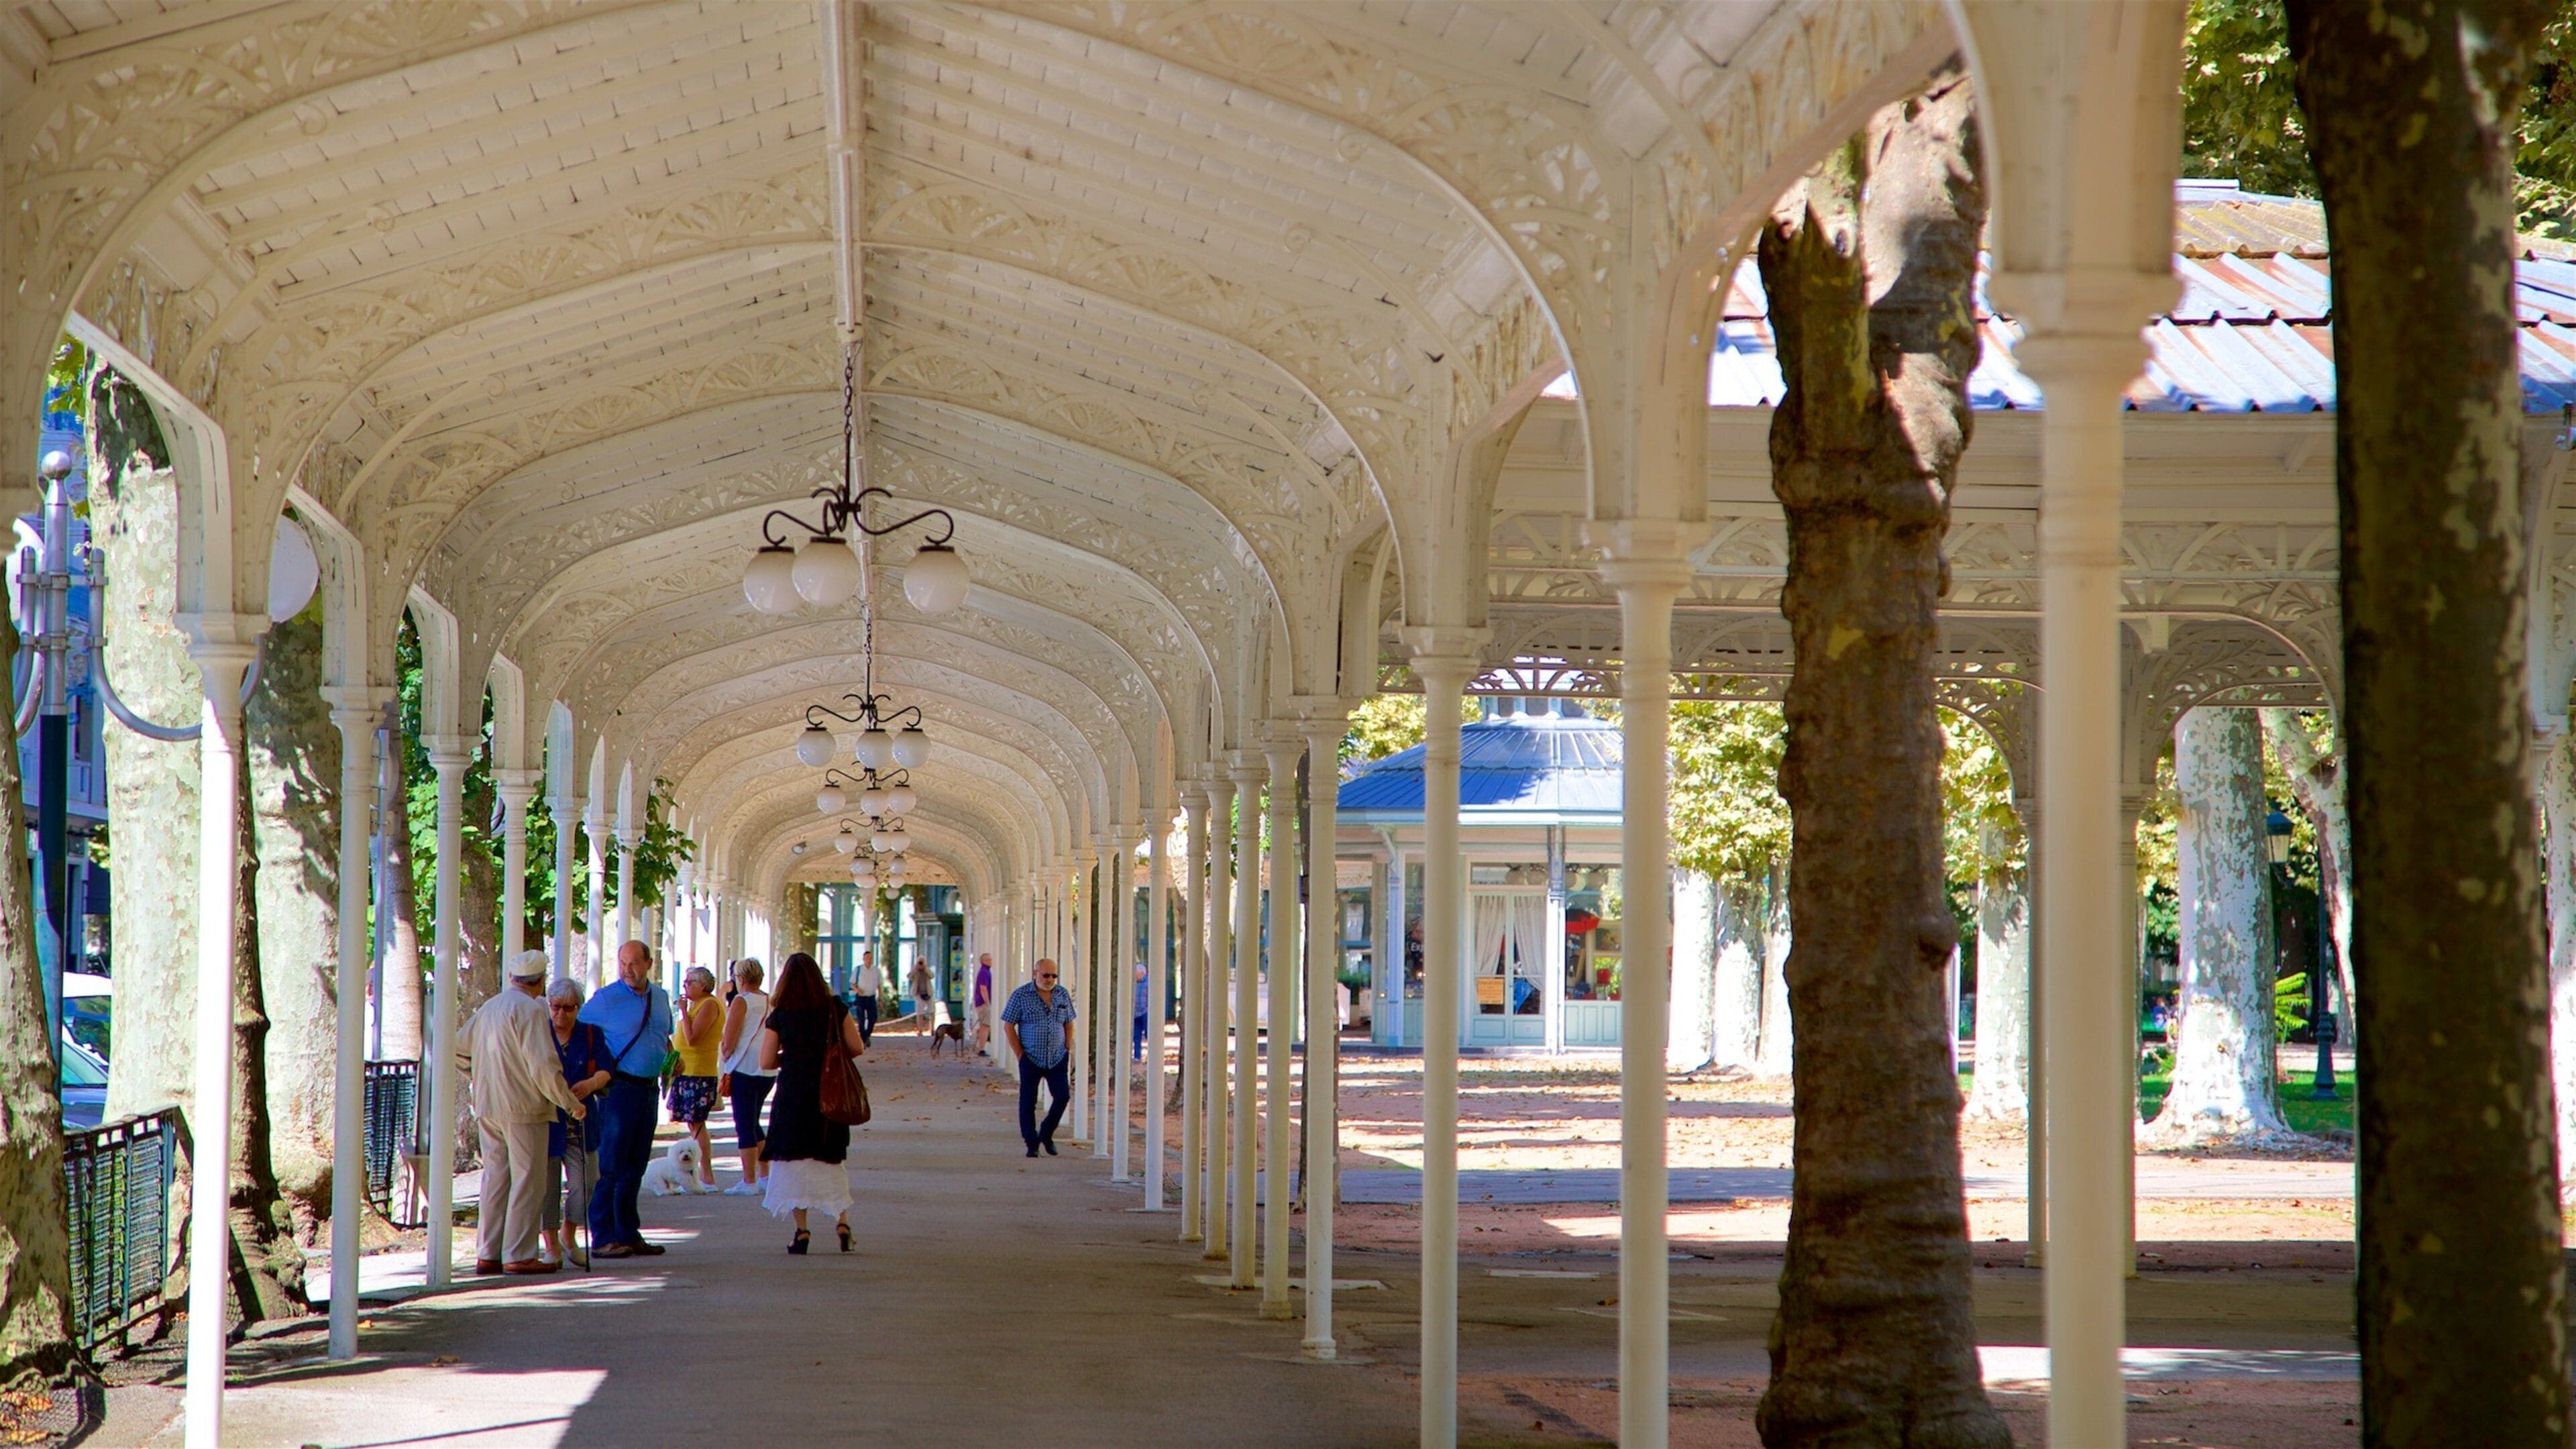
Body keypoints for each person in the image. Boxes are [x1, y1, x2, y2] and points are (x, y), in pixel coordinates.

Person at [458, 950, 585, 1275]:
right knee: (529, 1181)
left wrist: (481, 1076)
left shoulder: (490, 1007)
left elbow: (459, 1048)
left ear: (513, 978)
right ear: (541, 982)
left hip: (489, 1105)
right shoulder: (531, 1010)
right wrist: (570, 1102)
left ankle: (489, 1252)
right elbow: (543, 1065)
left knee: (496, 1178)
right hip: (525, 1108)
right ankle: (519, 1253)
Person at [760, 951, 868, 1254]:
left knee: (792, 1161)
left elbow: (767, 1060)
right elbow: (856, 1048)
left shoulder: (780, 1014)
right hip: (828, 1094)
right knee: (830, 1159)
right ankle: (843, 1223)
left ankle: (802, 1232)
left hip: (794, 1095)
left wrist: (792, 1056)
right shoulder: (835, 1007)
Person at [577, 940, 676, 1259]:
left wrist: (671, 1060)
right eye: (623, 963)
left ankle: (628, 1232)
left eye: (634, 963)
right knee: (610, 1165)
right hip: (618, 1089)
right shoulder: (606, 999)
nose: (627, 969)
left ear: (649, 962)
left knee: (636, 1164)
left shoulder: (660, 998)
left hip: (649, 1089)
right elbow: (578, 1031)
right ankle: (603, 1236)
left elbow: (663, 1037)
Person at [543, 975, 612, 1269]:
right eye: (557, 1007)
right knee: (546, 1188)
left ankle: (568, 1234)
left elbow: (608, 1069)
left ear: (578, 1008)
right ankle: (551, 1246)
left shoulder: (591, 1034)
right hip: (546, 1121)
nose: (562, 1014)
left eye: (569, 1008)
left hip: (581, 1120)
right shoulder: (539, 1032)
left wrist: (591, 1084)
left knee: (587, 1181)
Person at [1000, 957, 1076, 1157]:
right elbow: (1008, 1025)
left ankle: (1046, 1133)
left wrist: (1067, 1046)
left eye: (1054, 975)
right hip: (1031, 1057)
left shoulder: (1062, 994)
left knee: (1062, 1096)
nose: (1050, 979)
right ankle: (1031, 1142)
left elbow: (1069, 1022)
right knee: (1028, 1101)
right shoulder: (1021, 995)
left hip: (1058, 1056)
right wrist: (1020, 1054)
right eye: (1046, 975)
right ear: (1035, 974)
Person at [718, 958, 775, 1195]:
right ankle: (764, 1175)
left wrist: (724, 1053)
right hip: (767, 1069)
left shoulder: (742, 1001)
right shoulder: (769, 1000)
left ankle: (749, 1180)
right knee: (753, 1122)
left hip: (744, 1068)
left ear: (740, 979)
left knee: (743, 1123)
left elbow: (729, 1039)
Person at [668, 965, 722, 1187]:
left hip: (699, 1073)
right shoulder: (697, 1005)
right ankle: (695, 1175)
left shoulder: (709, 1005)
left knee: (698, 1123)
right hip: (687, 1071)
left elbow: (693, 1038)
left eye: (690, 982)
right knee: (693, 1123)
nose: (686, 987)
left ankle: (707, 1175)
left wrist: (682, 1011)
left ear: (703, 985)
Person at [852, 951, 881, 1046]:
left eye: (871, 958)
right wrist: (857, 990)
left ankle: (867, 1034)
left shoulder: (876, 970)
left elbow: (879, 985)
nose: (869, 960)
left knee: (873, 1018)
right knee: (861, 1019)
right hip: (861, 997)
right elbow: (852, 984)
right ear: (864, 959)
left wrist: (880, 998)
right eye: (867, 958)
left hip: (871, 997)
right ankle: (864, 1039)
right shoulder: (858, 970)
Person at [971, 953, 994, 1058]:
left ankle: (981, 1046)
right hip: (983, 1003)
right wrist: (987, 1002)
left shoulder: (984, 972)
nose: (991, 961)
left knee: (984, 1025)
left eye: (991, 959)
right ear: (983, 961)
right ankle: (982, 1049)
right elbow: (983, 988)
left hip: (980, 1002)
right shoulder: (984, 972)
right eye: (988, 960)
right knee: (985, 1025)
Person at [909, 957, 934, 1033]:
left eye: (922, 962)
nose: (921, 964)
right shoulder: (915, 971)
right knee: (920, 1013)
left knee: (932, 1012)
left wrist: (925, 968)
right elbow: (909, 977)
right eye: (919, 962)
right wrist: (915, 969)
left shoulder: (927, 970)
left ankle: (932, 1029)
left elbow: (932, 976)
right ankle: (920, 1030)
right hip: (919, 994)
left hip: (929, 993)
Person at [1132, 959, 1149, 1062]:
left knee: (1148, 1034)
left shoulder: (1148, 983)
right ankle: (1137, 1057)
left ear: (1142, 973)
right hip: (1136, 1013)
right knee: (1136, 1036)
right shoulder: (1134, 984)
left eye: (1136, 973)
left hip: (1146, 1012)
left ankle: (1152, 1056)